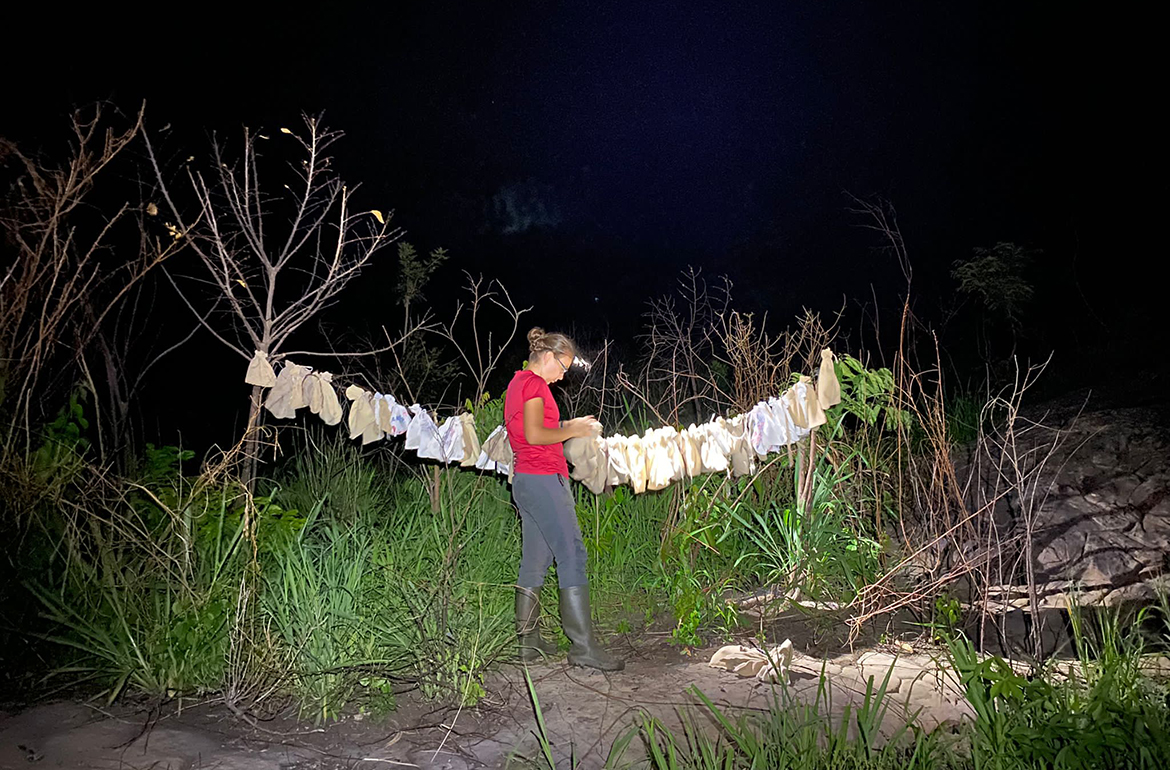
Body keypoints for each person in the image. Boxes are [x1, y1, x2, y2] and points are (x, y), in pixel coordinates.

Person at [504, 327, 624, 671]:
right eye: (562, 366)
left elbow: (530, 430)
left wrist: (571, 423)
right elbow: (535, 434)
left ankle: (528, 643)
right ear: (547, 356)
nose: (563, 376)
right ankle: (583, 647)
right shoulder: (534, 384)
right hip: (544, 479)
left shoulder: (517, 383)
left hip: (525, 480)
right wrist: (573, 430)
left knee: (535, 560)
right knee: (572, 554)